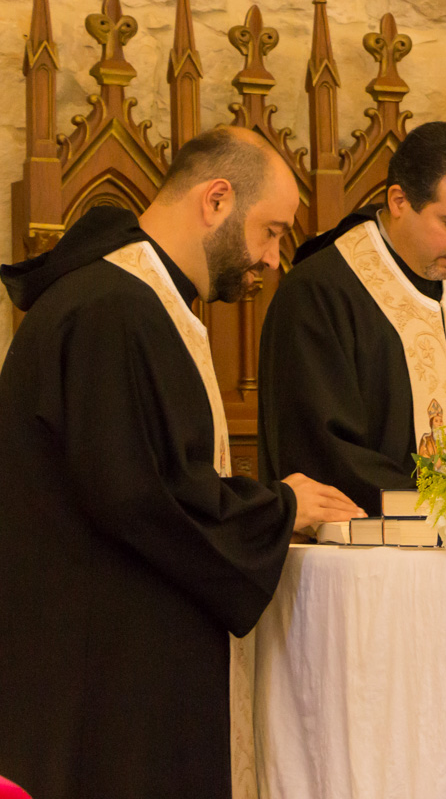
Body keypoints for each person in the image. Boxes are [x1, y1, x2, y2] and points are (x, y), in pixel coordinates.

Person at [0, 126, 363, 799]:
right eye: (271, 231)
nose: (274, 259)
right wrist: (281, 507)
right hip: (103, 669)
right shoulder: (116, 308)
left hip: (112, 652)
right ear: (217, 199)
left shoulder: (139, 299)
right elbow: (144, 497)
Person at [258, 122, 446, 514]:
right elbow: (320, 449)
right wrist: (445, 508)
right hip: (365, 550)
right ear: (398, 200)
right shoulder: (320, 291)